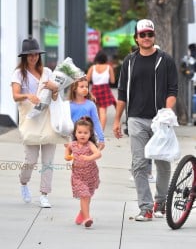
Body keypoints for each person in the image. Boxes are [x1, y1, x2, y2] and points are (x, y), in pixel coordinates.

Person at [113, 19, 178, 221]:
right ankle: (146, 207)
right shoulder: (129, 62)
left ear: (154, 36)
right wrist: (117, 120)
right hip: (135, 119)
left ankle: (161, 202)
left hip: (160, 120)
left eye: (150, 34)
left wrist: (167, 112)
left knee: (163, 163)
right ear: (137, 38)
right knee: (139, 164)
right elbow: (122, 93)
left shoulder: (165, 60)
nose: (147, 38)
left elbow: (172, 89)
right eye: (143, 35)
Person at [11, 38, 62, 208]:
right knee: (31, 160)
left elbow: (55, 97)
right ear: (24, 57)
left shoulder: (47, 71)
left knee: (48, 161)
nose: (33, 57)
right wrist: (28, 96)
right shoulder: (19, 73)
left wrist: (54, 89)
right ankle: (24, 182)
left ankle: (44, 194)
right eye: (30, 55)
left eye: (36, 54)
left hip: (47, 118)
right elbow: (15, 96)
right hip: (30, 119)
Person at [64, 117, 101, 228]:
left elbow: (98, 154)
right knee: (84, 195)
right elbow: (67, 149)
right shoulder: (73, 144)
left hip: (91, 175)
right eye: (79, 132)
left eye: (85, 132)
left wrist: (89, 158)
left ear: (90, 134)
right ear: (75, 133)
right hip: (78, 176)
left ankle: (82, 213)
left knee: (87, 196)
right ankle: (87, 218)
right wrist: (67, 156)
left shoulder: (90, 144)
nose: (82, 135)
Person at [68, 77, 105, 150]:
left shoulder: (91, 105)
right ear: (74, 89)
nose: (85, 89)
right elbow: (66, 123)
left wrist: (101, 139)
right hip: (74, 138)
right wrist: (65, 139)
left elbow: (96, 121)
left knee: (89, 160)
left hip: (89, 138)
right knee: (76, 159)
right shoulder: (69, 105)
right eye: (81, 87)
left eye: (86, 87)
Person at [86, 50, 116, 130]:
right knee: (103, 111)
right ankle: (100, 132)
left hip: (95, 90)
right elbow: (113, 81)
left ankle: (95, 129)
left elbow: (87, 80)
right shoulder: (109, 67)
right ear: (105, 59)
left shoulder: (93, 67)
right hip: (105, 89)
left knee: (95, 111)